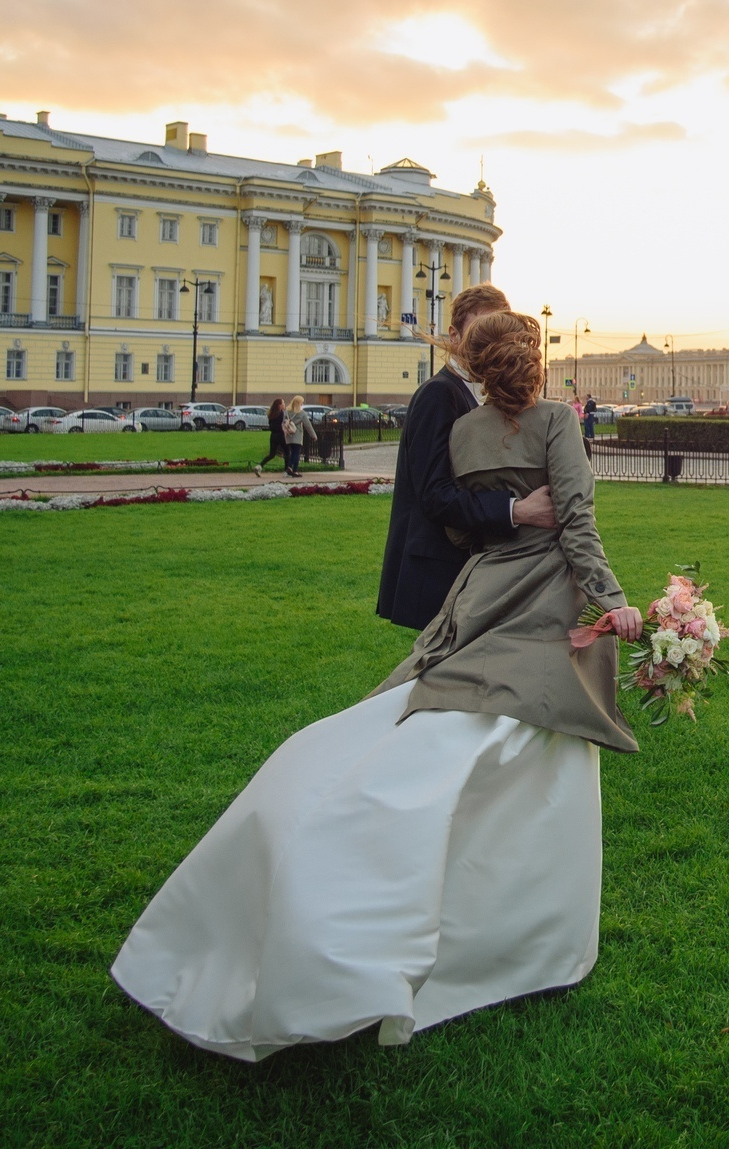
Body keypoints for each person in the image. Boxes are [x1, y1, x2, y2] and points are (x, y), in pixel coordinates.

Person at [114, 311, 647, 1059]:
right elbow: (578, 523)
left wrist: (507, 521)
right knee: (530, 742)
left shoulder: (464, 432)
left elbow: (463, 530)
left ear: (477, 364)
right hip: (541, 601)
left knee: (439, 715)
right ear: (534, 359)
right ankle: (518, 931)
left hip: (478, 594)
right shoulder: (559, 419)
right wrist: (613, 599)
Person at [375, 286, 556, 631]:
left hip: (470, 568)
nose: (490, 345)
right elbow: (434, 494)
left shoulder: (484, 392)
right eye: (479, 333)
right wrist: (516, 510)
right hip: (439, 569)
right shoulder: (439, 394)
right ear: (455, 335)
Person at [254, 394, 286, 476]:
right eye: (283, 403)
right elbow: (282, 425)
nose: (284, 405)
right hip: (281, 435)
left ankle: (260, 466)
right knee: (287, 453)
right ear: (279, 405)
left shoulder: (271, 414)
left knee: (271, 454)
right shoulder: (281, 413)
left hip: (273, 435)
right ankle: (286, 471)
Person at [282, 394, 308, 477]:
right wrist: (314, 435)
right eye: (301, 403)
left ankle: (295, 471)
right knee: (296, 453)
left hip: (289, 434)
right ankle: (290, 467)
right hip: (297, 434)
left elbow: (284, 422)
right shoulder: (302, 413)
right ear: (299, 403)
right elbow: (308, 425)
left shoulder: (287, 411)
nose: (302, 404)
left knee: (293, 452)